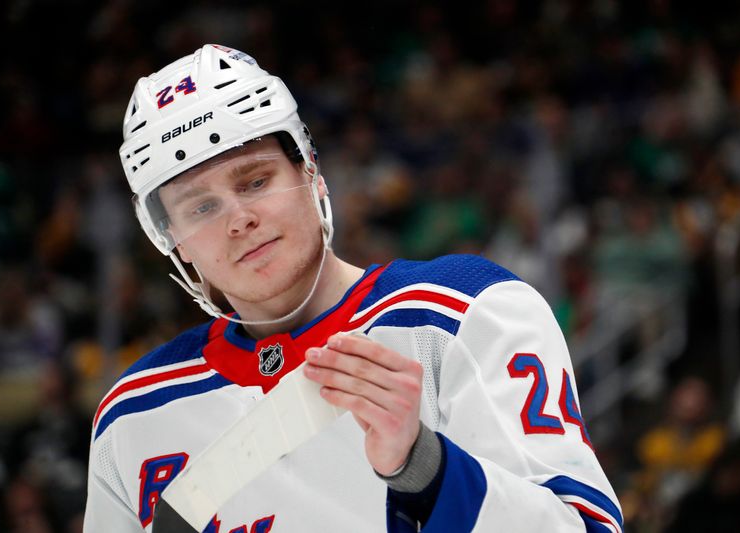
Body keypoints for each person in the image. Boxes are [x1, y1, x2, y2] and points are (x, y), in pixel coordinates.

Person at [84, 44, 623, 532]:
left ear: (310, 171)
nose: (238, 219)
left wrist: (426, 467)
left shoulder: (461, 312)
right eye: (202, 207)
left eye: (254, 180)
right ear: (172, 241)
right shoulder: (132, 417)